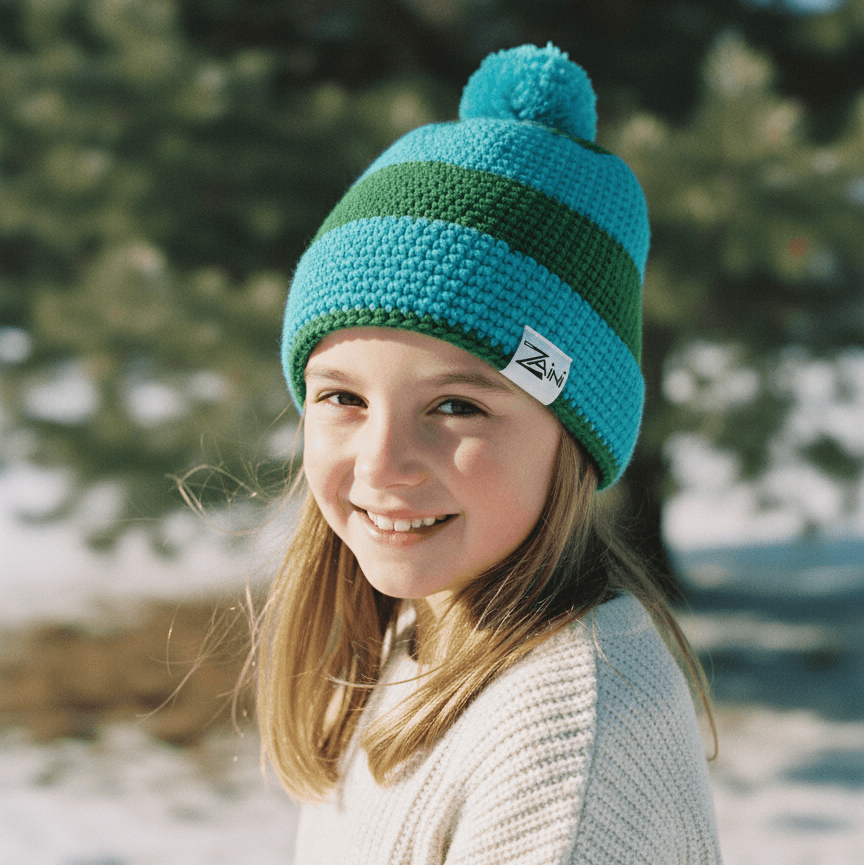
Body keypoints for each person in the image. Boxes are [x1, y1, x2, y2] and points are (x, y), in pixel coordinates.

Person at [254, 43, 723, 863]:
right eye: (343, 398)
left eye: (456, 405)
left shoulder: (566, 742)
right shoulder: (409, 632)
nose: (379, 464)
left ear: (572, 431)